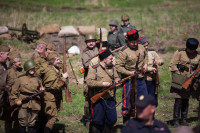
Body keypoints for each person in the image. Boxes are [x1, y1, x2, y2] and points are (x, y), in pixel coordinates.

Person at [115, 29, 148, 123]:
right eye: (132, 42)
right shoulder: (124, 51)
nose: (135, 44)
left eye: (136, 41)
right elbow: (118, 66)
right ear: (128, 41)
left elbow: (146, 56)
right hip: (128, 79)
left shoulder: (141, 47)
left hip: (140, 78)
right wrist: (129, 73)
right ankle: (126, 120)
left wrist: (145, 64)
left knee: (143, 99)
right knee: (127, 101)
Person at [87, 49, 120, 133]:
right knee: (98, 121)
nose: (112, 60)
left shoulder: (112, 67)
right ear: (104, 59)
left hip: (110, 97)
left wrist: (117, 81)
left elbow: (117, 77)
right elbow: (89, 82)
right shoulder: (94, 68)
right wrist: (102, 84)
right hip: (99, 99)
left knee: (112, 119)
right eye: (110, 59)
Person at [169, 38, 200, 127]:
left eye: (193, 50)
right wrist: (179, 72)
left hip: (191, 81)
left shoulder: (198, 56)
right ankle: (175, 121)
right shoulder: (179, 53)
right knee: (178, 100)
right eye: (190, 49)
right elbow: (172, 65)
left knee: (186, 100)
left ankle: (184, 119)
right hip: (179, 80)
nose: (191, 51)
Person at [10, 60, 43, 133]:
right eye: (30, 68)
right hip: (23, 102)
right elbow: (13, 92)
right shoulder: (20, 79)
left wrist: (41, 90)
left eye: (33, 68)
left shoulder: (38, 79)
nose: (32, 70)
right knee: (22, 122)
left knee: (32, 122)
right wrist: (16, 100)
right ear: (27, 69)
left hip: (35, 102)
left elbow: (40, 89)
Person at [42, 52, 68, 132]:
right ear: (52, 61)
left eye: (59, 59)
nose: (59, 61)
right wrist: (63, 78)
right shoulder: (50, 71)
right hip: (50, 97)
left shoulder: (55, 69)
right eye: (57, 60)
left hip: (54, 96)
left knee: (51, 117)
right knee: (52, 118)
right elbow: (55, 86)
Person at [139, 36, 164, 105]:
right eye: (144, 46)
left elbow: (161, 60)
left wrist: (158, 62)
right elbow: (141, 67)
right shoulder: (139, 55)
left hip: (153, 80)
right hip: (143, 80)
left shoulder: (152, 53)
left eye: (147, 45)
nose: (146, 47)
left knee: (153, 100)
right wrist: (151, 69)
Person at [81, 34, 99, 127]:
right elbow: (86, 65)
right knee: (88, 99)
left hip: (100, 78)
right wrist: (98, 58)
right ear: (86, 43)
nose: (91, 43)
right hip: (89, 78)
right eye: (89, 41)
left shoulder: (99, 48)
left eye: (92, 41)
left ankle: (98, 117)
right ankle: (88, 118)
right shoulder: (85, 52)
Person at [5, 51, 23, 133]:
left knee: (18, 117)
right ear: (13, 62)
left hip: (19, 97)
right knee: (9, 118)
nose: (20, 62)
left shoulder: (21, 71)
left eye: (20, 60)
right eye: (18, 61)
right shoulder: (8, 72)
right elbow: (6, 85)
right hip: (10, 97)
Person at [0, 45, 10, 120]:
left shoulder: (4, 65)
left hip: (2, 95)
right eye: (7, 54)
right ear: (1, 54)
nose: (8, 56)